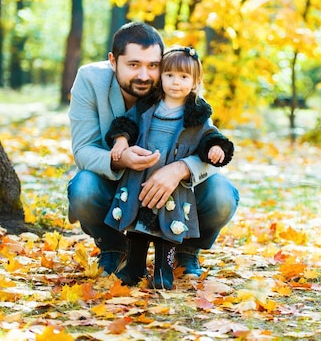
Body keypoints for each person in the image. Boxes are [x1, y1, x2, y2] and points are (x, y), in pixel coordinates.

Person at [67, 22, 239, 281]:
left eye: (153, 65)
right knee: (83, 188)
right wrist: (120, 158)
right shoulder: (90, 80)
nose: (145, 76)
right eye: (133, 65)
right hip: (121, 183)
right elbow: (83, 149)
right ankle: (114, 246)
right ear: (113, 61)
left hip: (176, 193)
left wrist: (180, 169)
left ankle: (186, 249)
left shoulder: (179, 86)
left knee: (222, 196)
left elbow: (209, 145)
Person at [104, 45, 234, 289]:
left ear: (195, 82)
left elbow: (209, 137)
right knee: (137, 224)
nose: (176, 83)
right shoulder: (147, 105)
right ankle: (134, 266)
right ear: (160, 77)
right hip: (140, 177)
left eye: (184, 77)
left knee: (168, 227)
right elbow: (126, 123)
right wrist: (121, 138)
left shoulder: (196, 113)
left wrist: (215, 148)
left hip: (173, 186)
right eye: (170, 75)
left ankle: (164, 270)